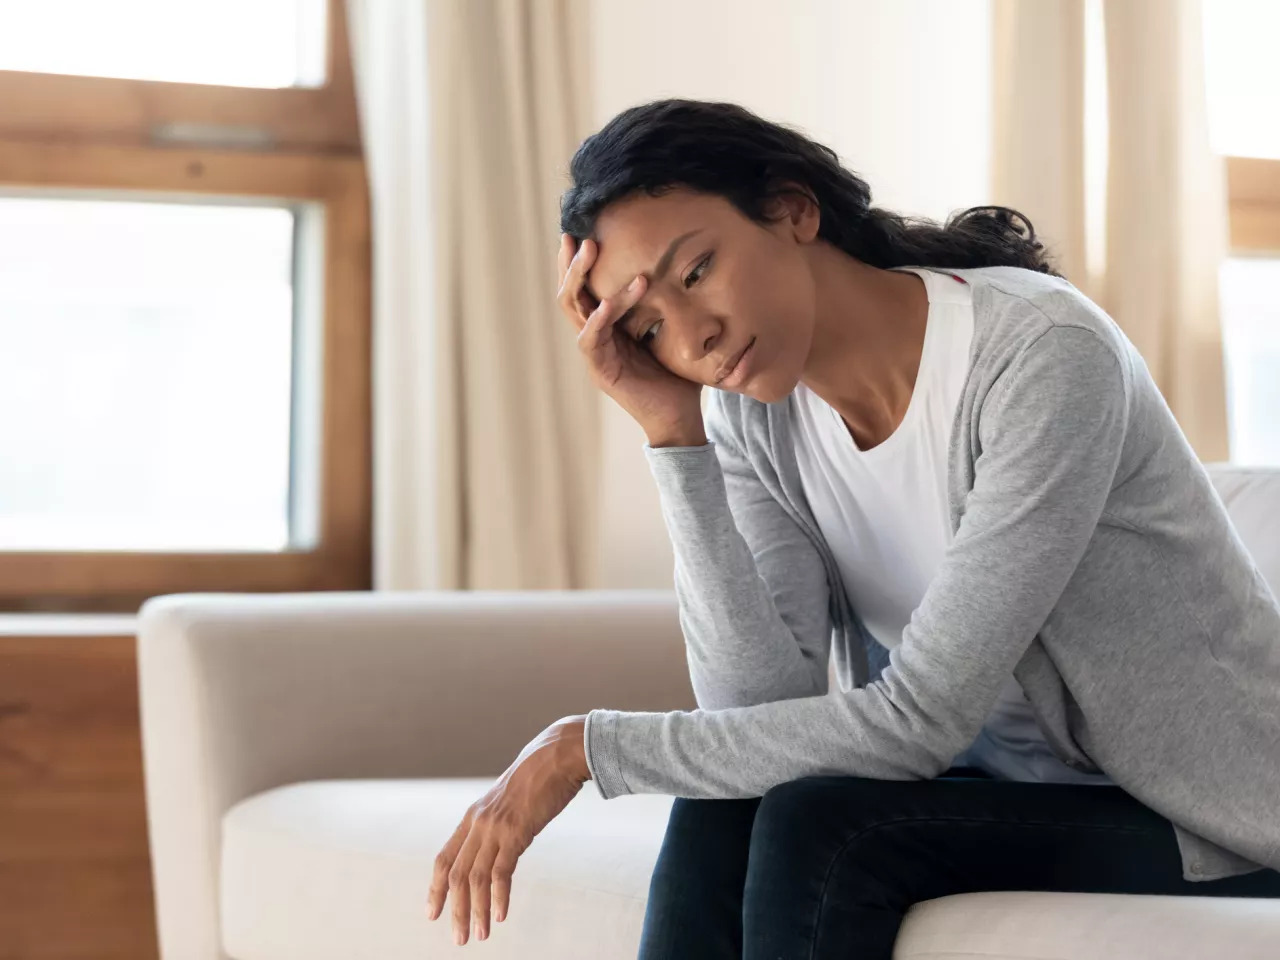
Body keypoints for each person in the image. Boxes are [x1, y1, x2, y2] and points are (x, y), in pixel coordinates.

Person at [426, 98, 1280, 957]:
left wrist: (586, 749)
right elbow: (756, 710)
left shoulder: (1041, 356)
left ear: (795, 209)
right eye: (650, 329)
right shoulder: (755, 417)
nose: (694, 336)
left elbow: (918, 723)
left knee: (825, 827)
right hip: (1018, 792)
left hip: (1213, 815)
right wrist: (673, 436)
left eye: (695, 273)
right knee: (725, 806)